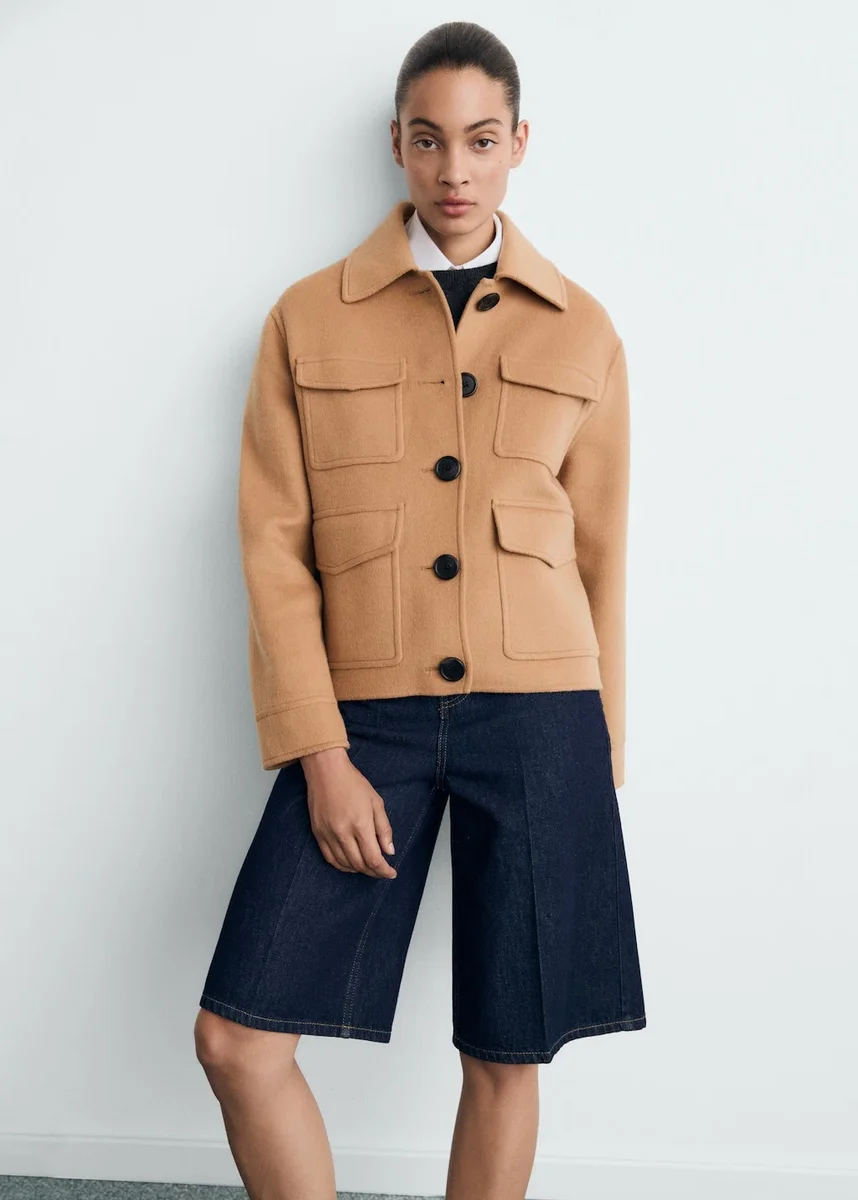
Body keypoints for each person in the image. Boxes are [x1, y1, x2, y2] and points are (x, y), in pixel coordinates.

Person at [193, 20, 646, 1200]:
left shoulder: (582, 327)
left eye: (482, 141)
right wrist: (320, 752)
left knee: (506, 1051)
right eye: (431, 139)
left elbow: (602, 554)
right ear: (397, 142)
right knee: (237, 1041)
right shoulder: (309, 316)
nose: (456, 170)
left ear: (519, 144)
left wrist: (598, 751)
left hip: (540, 719)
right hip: (366, 724)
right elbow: (273, 548)